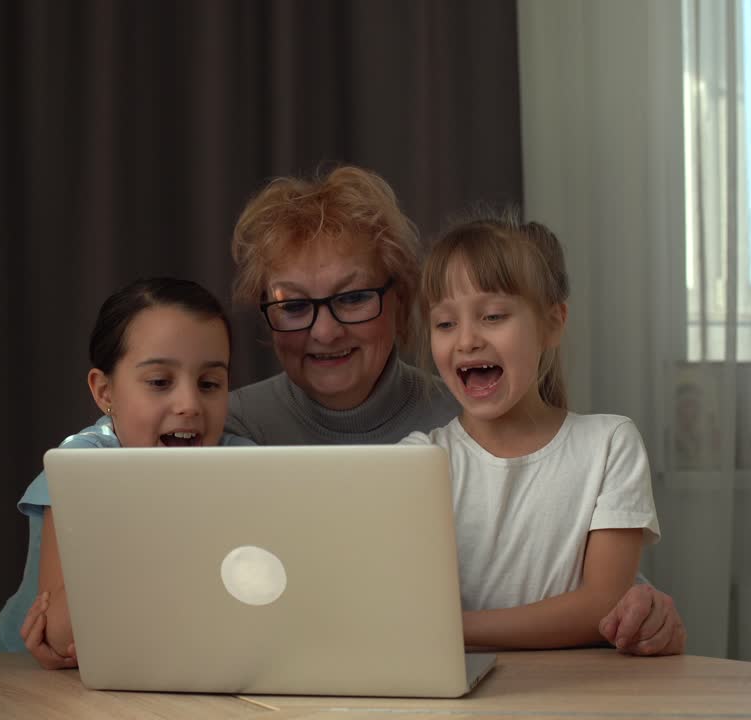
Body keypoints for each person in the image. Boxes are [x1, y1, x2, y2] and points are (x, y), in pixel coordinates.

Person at [226, 165, 686, 655]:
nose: (324, 331)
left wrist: (646, 614)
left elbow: (594, 588)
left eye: (354, 297)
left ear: (401, 305)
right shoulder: (227, 428)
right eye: (293, 305)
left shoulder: (476, 410)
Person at [400, 214, 659, 648]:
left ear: (553, 323)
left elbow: (602, 604)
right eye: (445, 324)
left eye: (493, 316)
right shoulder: (417, 460)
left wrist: (453, 631)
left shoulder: (610, 445)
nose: (465, 341)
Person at [0, 277, 253, 668]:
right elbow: (62, 634)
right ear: (105, 392)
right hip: (10, 673)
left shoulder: (246, 465)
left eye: (209, 383)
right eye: (159, 382)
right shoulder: (79, 465)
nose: (189, 404)